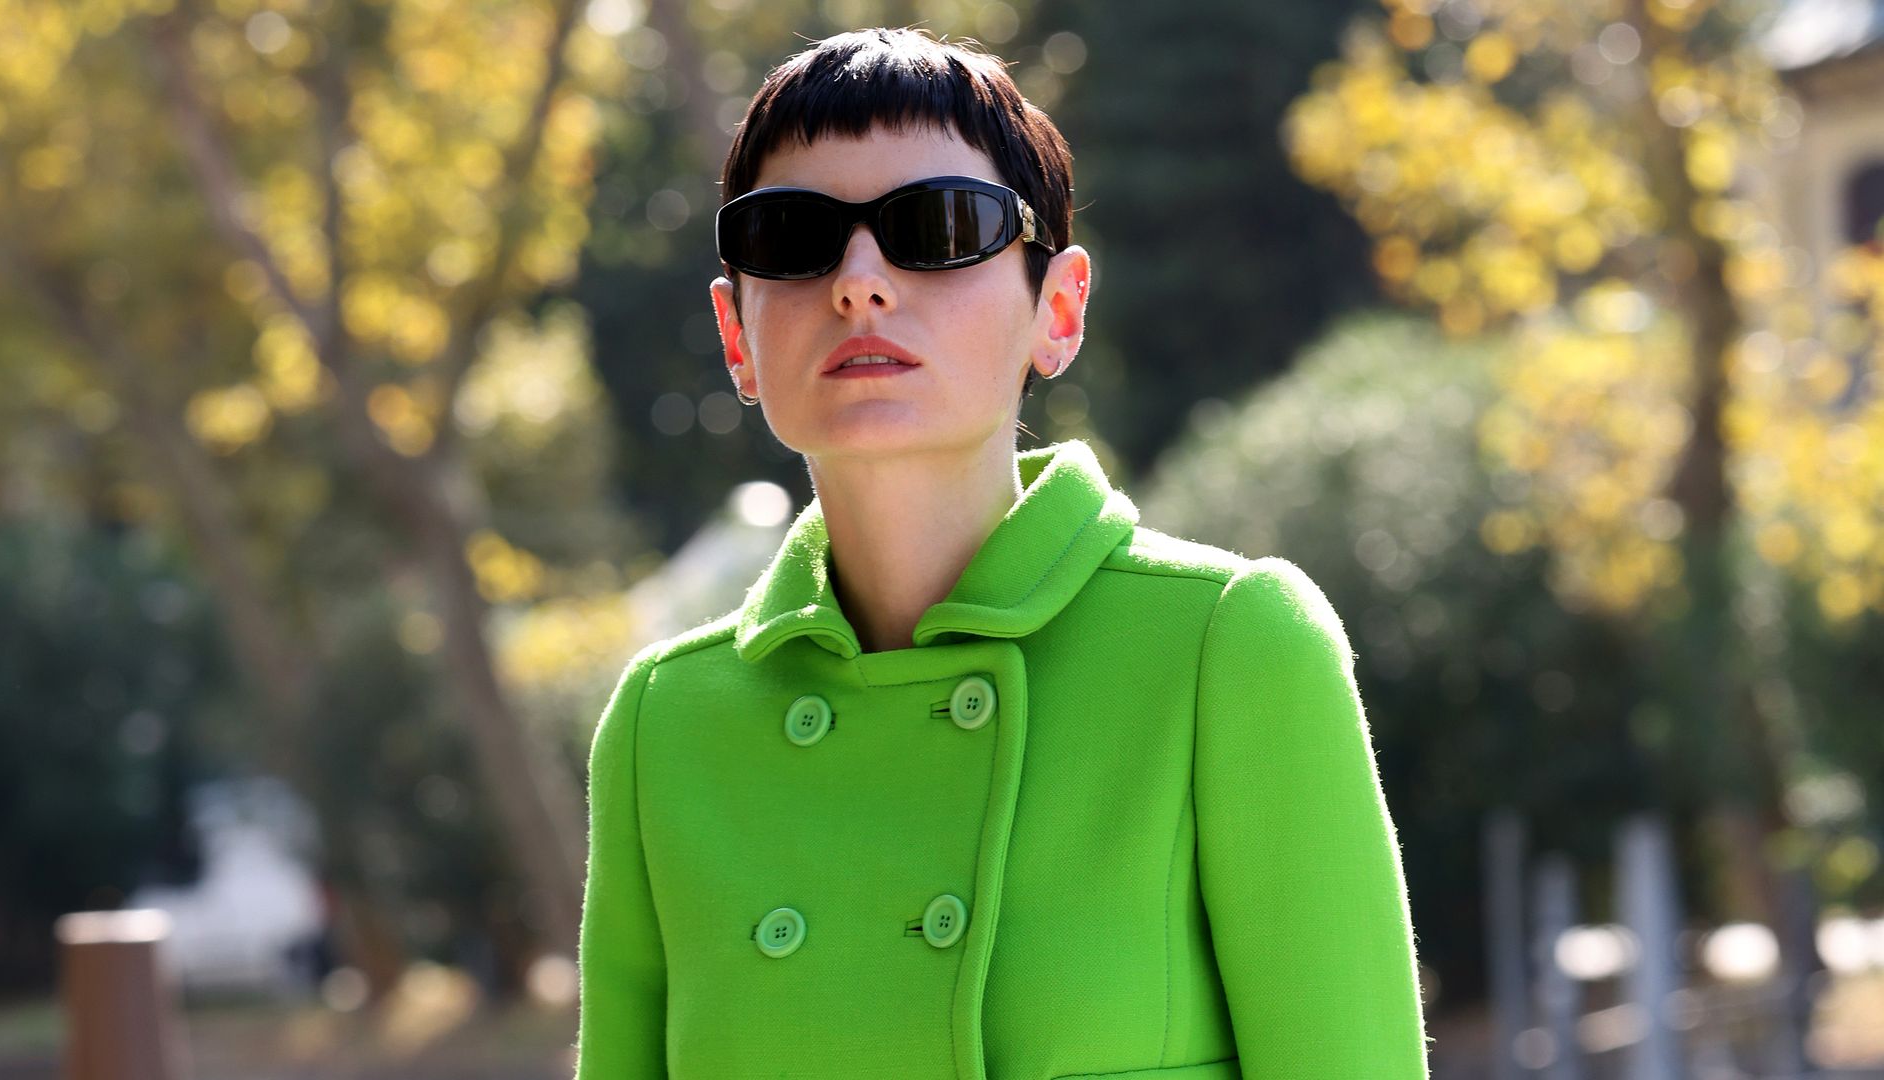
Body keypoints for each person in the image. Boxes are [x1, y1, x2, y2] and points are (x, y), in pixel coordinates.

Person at [575, 26, 1429, 1079]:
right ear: (735, 335)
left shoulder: (1230, 649)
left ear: (1058, 310)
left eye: (935, 227)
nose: (859, 283)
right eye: (793, 236)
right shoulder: (667, 726)